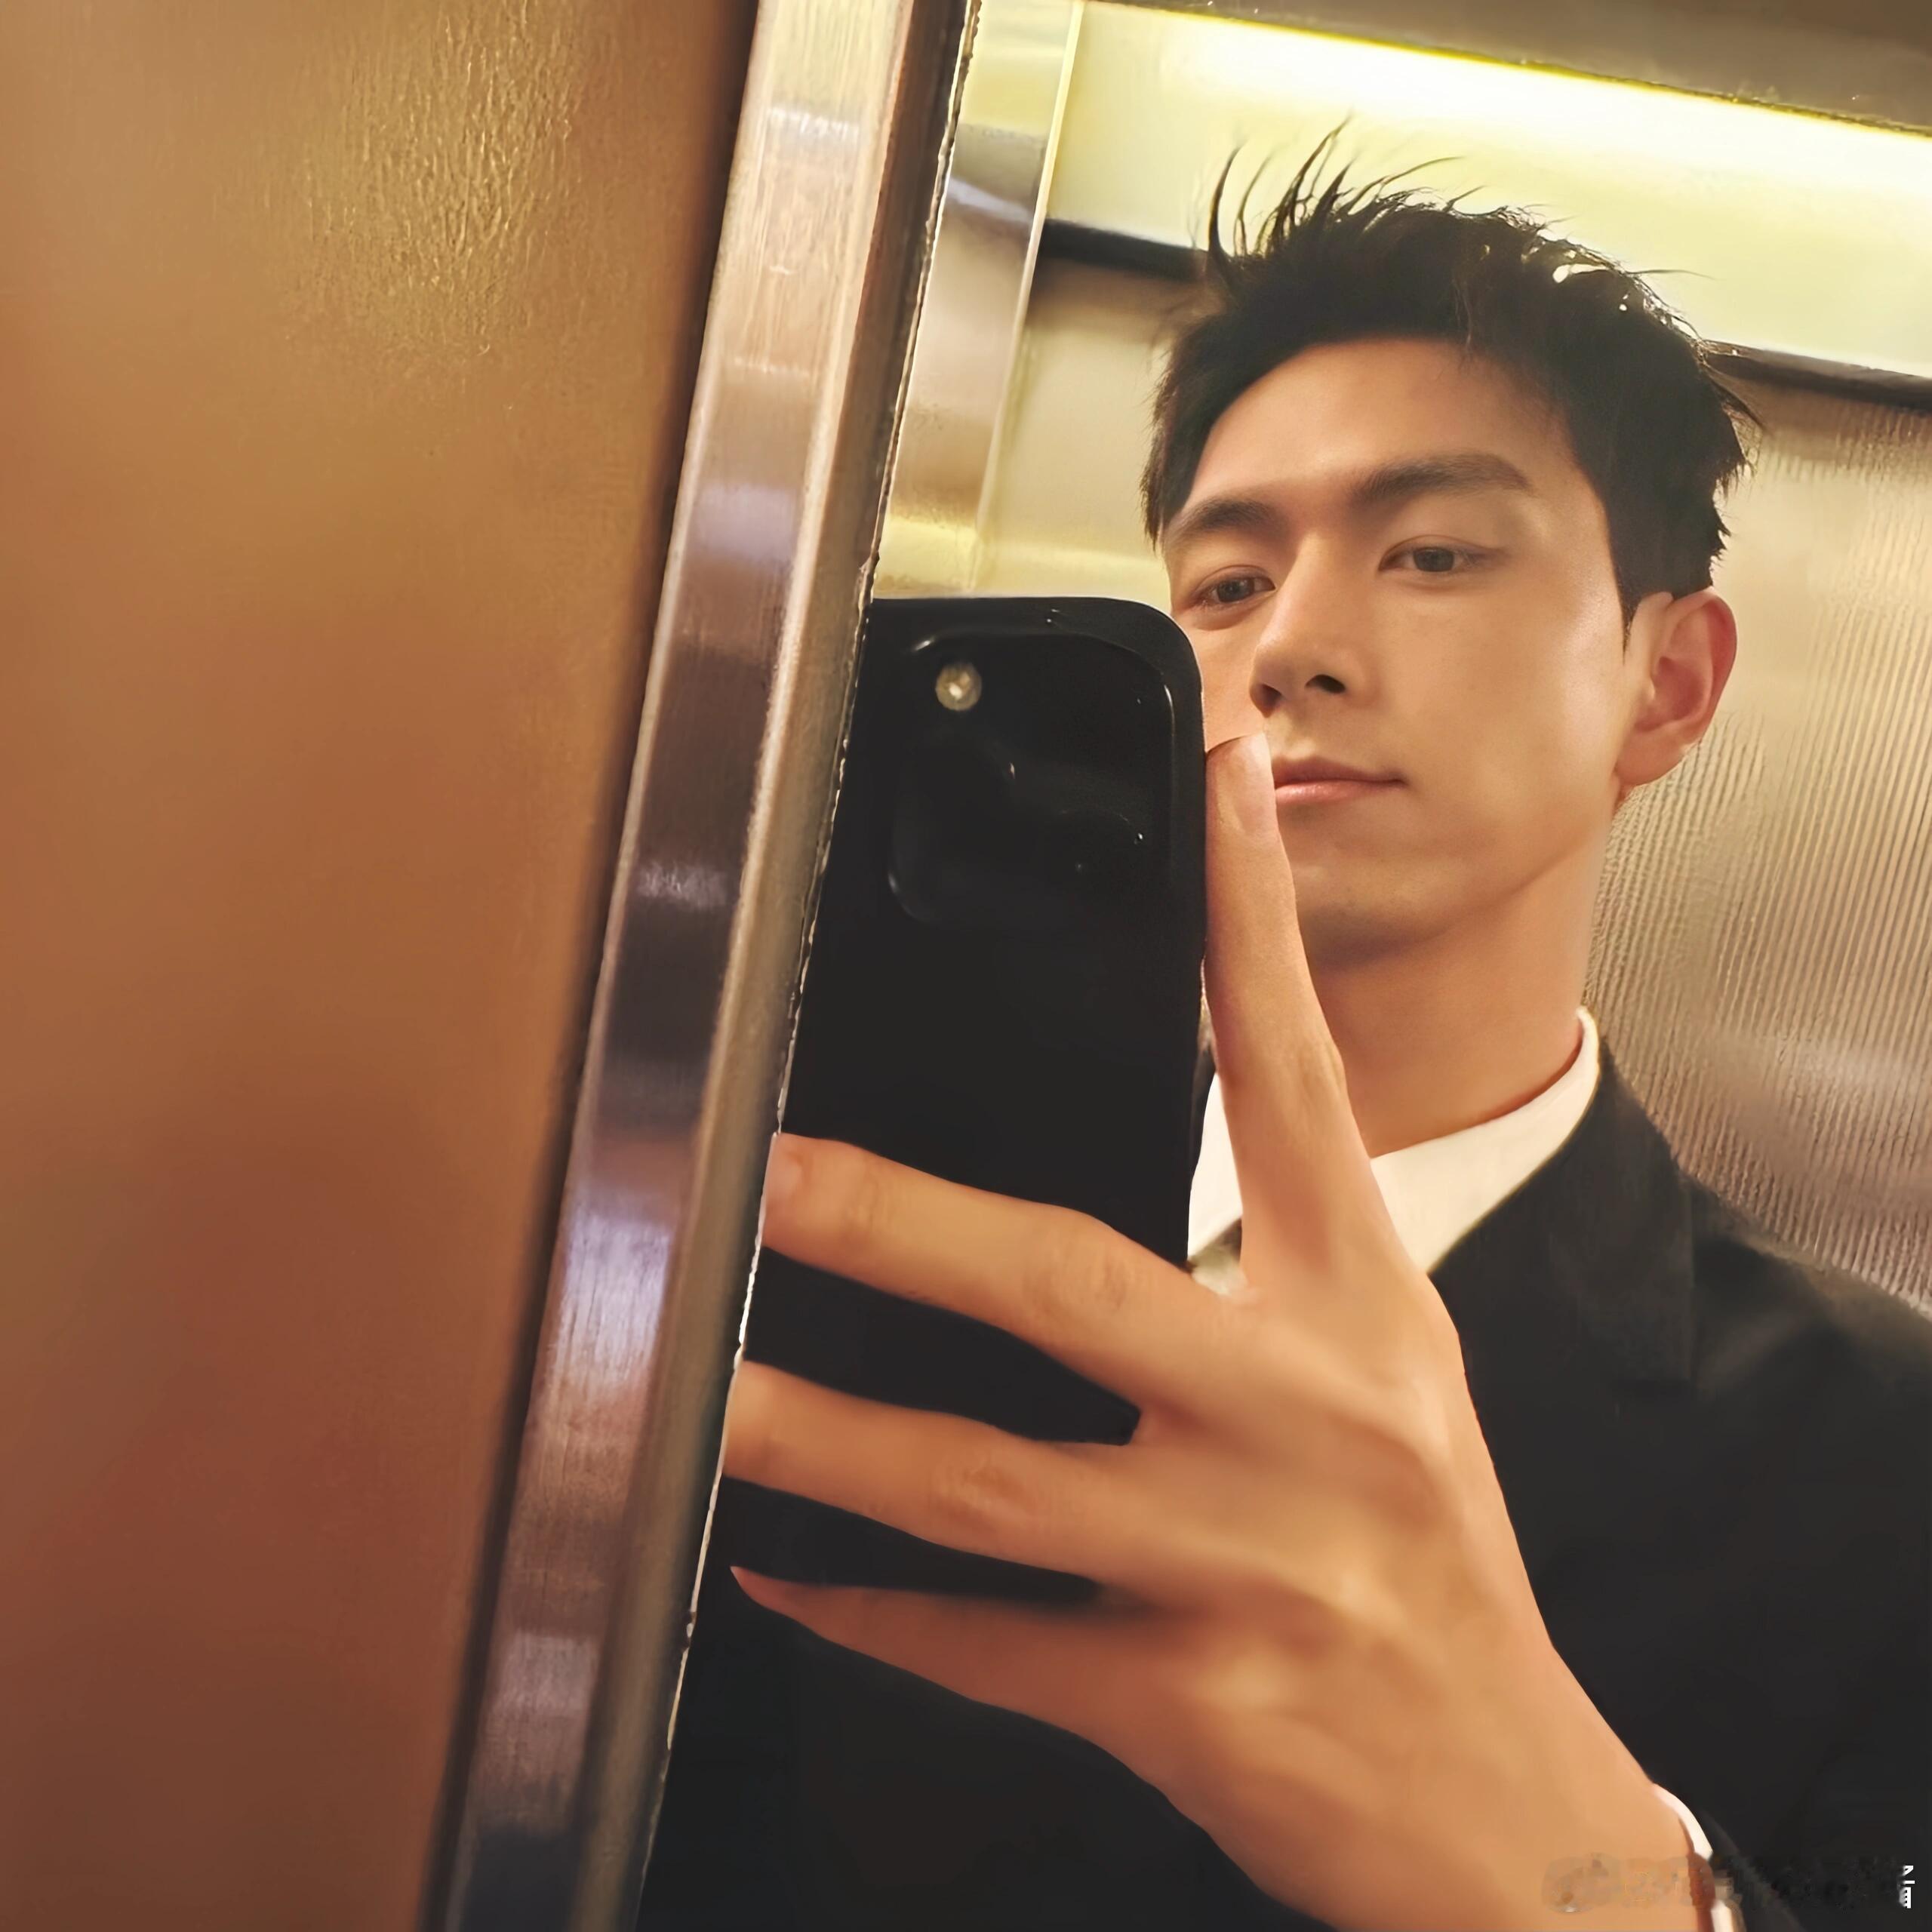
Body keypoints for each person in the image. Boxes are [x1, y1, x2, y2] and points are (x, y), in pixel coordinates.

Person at [641, 151, 1931, 1931]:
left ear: (1666, 681)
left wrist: (1620, 1891)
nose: (1292, 647)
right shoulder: (845, 1253)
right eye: (1227, 580)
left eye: (1434, 552)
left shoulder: (1884, 1453)